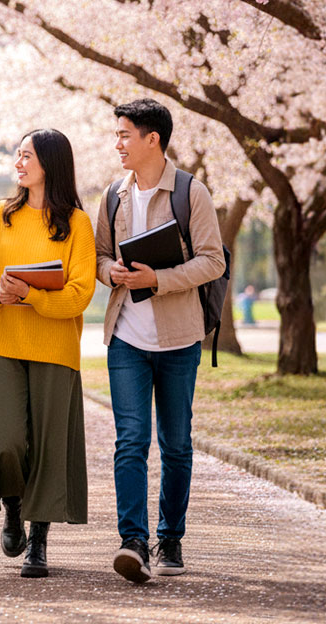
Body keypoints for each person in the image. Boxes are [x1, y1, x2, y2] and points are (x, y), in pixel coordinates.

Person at [95, 98, 227, 584]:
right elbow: (98, 256)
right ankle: (133, 541)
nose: (118, 143)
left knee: (176, 445)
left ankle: (170, 538)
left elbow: (213, 261)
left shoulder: (191, 192)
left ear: (153, 139)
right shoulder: (113, 195)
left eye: (125, 134)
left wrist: (159, 278)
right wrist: (111, 272)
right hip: (126, 337)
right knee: (131, 441)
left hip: (179, 339)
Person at [0, 128, 96, 579]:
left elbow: (79, 294)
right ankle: (13, 505)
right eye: (17, 155)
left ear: (50, 164)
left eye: (27, 156)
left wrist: (32, 295)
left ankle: (38, 540)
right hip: (3, 343)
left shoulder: (77, 223)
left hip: (56, 349)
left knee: (48, 447)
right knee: (5, 439)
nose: (18, 163)